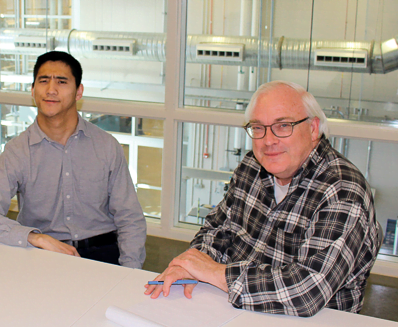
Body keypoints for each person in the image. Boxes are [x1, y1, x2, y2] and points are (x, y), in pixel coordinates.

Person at [145, 81, 381, 317]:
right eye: (258, 128)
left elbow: (307, 292)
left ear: (312, 129)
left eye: (283, 126)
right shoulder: (251, 166)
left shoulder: (343, 190)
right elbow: (218, 230)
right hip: (234, 309)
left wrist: (215, 273)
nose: (268, 140)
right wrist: (191, 265)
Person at [0, 51, 147, 268]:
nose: (51, 90)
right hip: (44, 253)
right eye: (43, 81)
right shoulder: (17, 151)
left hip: (103, 253)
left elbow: (130, 218)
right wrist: (36, 237)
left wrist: (129, 272)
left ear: (78, 91)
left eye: (62, 82)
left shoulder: (106, 145)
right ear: (33, 91)